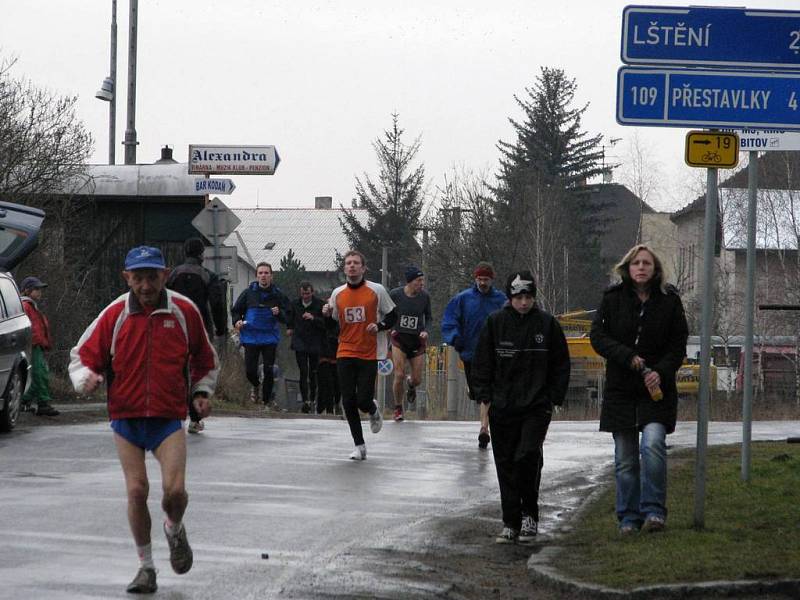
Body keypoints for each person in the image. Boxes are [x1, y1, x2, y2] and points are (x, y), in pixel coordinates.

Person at [68, 246, 218, 594]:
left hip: (167, 417)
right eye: (138, 279)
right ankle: (146, 567)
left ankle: (174, 528)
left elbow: (205, 358)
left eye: (152, 277)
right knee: (137, 490)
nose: (146, 286)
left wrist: (202, 392)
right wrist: (85, 379)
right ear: (127, 278)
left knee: (175, 492)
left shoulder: (183, 311)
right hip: (126, 417)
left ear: (165, 275)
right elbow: (82, 356)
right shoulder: (115, 314)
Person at [590, 244, 688, 535]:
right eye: (636, 263)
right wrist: (626, 357)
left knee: (653, 445)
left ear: (655, 269)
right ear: (627, 268)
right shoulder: (613, 299)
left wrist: (660, 371)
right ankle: (629, 518)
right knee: (625, 458)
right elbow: (597, 336)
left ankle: (654, 511)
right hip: (621, 389)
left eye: (647, 263)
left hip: (656, 390)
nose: (641, 267)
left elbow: (678, 344)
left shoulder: (669, 301)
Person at [472, 270, 570, 544]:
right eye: (518, 297)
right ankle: (510, 521)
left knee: (526, 457)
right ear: (510, 298)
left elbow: (561, 364)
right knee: (505, 464)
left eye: (528, 297)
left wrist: (553, 397)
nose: (524, 302)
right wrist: (484, 394)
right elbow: (482, 363)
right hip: (503, 407)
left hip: (536, 406)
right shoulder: (495, 324)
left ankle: (530, 513)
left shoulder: (547, 325)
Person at [323, 250, 396, 460]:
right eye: (348, 263)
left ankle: (372, 409)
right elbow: (332, 326)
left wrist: (380, 325)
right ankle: (359, 446)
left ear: (363, 268)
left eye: (356, 263)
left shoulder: (376, 290)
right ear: (344, 268)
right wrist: (326, 315)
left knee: (362, 399)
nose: (352, 266)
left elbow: (393, 316)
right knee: (347, 400)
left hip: (369, 352)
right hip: (345, 350)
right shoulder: (337, 293)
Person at [441, 261, 506, 448]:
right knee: (480, 393)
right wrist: (455, 338)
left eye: (486, 279)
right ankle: (475, 394)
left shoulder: (501, 300)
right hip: (470, 353)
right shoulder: (463, 299)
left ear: (491, 279)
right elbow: (449, 320)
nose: (483, 283)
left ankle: (484, 429)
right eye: (480, 279)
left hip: (495, 354)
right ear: (475, 279)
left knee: (487, 393)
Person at [166, 237, 228, 433]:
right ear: (202, 254)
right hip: (200, 328)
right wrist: (220, 328)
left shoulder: (173, 274)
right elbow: (217, 304)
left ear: (185, 253)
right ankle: (195, 418)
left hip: (174, 328)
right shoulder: (208, 275)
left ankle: (174, 414)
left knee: (177, 370)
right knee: (197, 372)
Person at [231, 262, 289, 408]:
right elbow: (236, 310)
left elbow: (288, 316)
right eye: (261, 273)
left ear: (271, 276)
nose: (263, 276)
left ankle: (265, 401)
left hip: (269, 336)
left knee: (269, 370)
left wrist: (279, 313)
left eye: (266, 273)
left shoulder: (278, 294)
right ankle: (256, 385)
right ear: (257, 276)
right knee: (250, 370)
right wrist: (237, 321)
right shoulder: (248, 293)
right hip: (251, 336)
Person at [388, 266, 431, 422]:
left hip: (417, 341)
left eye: (422, 280)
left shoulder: (425, 297)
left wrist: (426, 330)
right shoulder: (395, 295)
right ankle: (398, 408)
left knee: (417, 379)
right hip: (398, 339)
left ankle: (411, 385)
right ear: (410, 282)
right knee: (398, 374)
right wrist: (390, 328)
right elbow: (387, 314)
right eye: (419, 280)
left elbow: (429, 317)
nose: (422, 283)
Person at [19, 276, 59, 417]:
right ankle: (43, 404)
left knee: (38, 374)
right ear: (27, 290)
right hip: (32, 345)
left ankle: (22, 402)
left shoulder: (32, 306)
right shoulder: (25, 306)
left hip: (37, 345)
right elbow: (29, 328)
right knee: (39, 374)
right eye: (37, 289)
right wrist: (35, 343)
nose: (40, 292)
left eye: (40, 289)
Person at [286, 281, 326, 414]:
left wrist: (313, 318)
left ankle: (313, 398)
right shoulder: (295, 304)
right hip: (300, 342)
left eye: (308, 293)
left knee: (313, 372)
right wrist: (290, 328)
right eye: (303, 294)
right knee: (303, 372)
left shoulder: (319, 305)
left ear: (312, 292)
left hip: (314, 342)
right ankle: (305, 401)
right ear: (300, 293)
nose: (305, 296)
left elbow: (325, 324)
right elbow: (290, 319)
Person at [316, 301, 340, 415]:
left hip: (337, 355)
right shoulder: (321, 319)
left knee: (337, 383)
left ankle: (337, 403)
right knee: (325, 383)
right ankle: (324, 408)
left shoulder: (339, 320)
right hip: (324, 355)